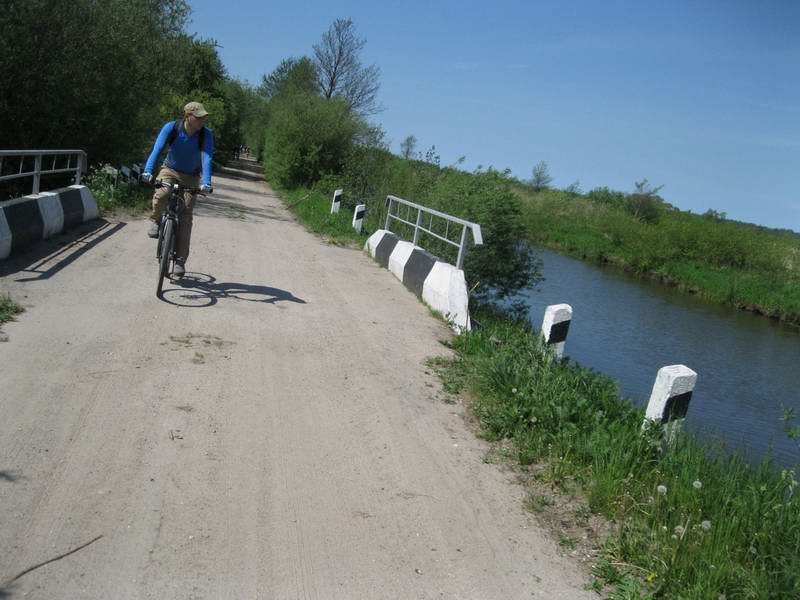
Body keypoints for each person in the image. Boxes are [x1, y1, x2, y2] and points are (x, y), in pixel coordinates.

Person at [142, 101, 214, 278]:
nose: (202, 121)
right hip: (170, 170)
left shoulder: (206, 135)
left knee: (186, 216)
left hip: (191, 176)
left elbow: (207, 158)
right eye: (198, 118)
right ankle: (156, 220)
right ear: (187, 116)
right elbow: (157, 149)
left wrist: (207, 182)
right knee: (162, 193)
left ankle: (180, 261)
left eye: (203, 118)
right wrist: (147, 171)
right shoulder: (171, 128)